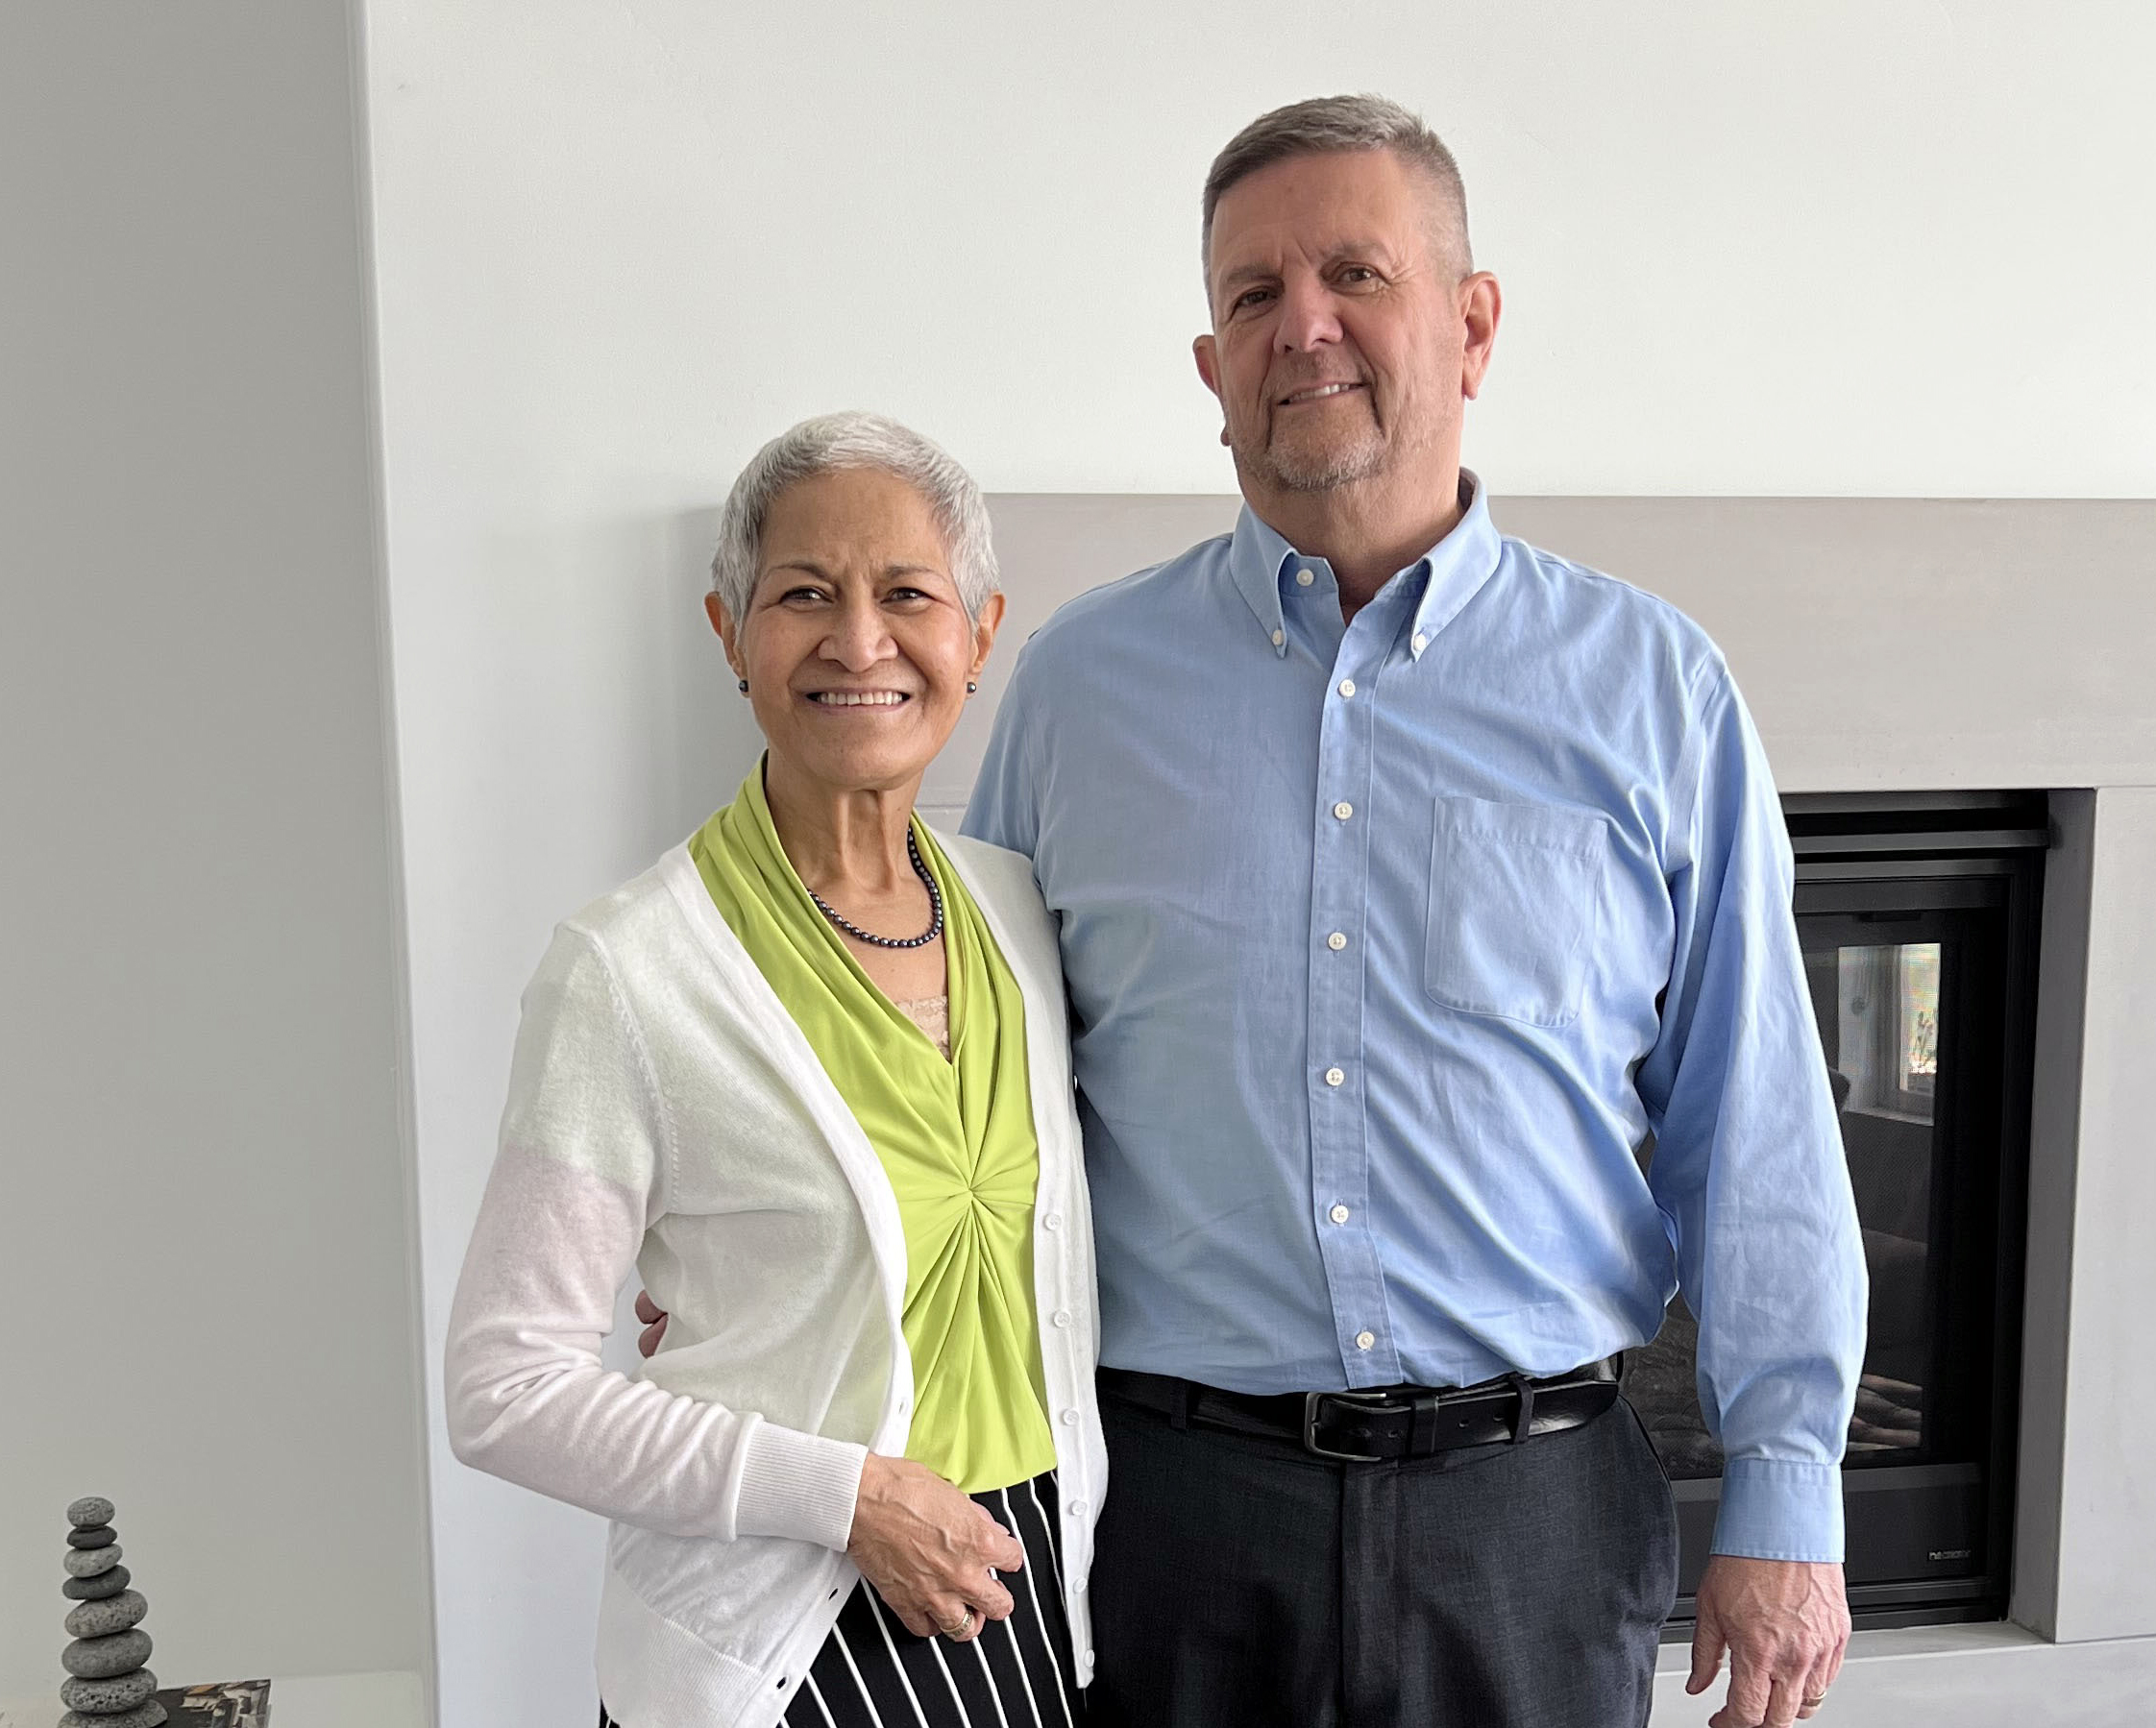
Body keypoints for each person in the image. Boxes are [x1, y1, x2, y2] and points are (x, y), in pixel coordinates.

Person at [961, 96, 1866, 1728]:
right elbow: (964, 1087)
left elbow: (1756, 1119)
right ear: (1210, 368)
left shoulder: (1654, 689)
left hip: (1531, 1518)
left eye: (1352, 273)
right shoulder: (1074, 695)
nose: (1299, 326)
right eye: (1252, 295)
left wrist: (1788, 1500)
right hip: (1171, 1512)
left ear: (1471, 321)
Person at [445, 412, 1105, 1728]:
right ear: (730, 633)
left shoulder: (1021, 912)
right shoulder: (628, 972)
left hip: (1034, 1611)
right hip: (779, 1656)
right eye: (805, 595)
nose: (861, 643)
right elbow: (501, 1388)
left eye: (907, 595)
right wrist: (846, 1495)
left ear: (978, 636)